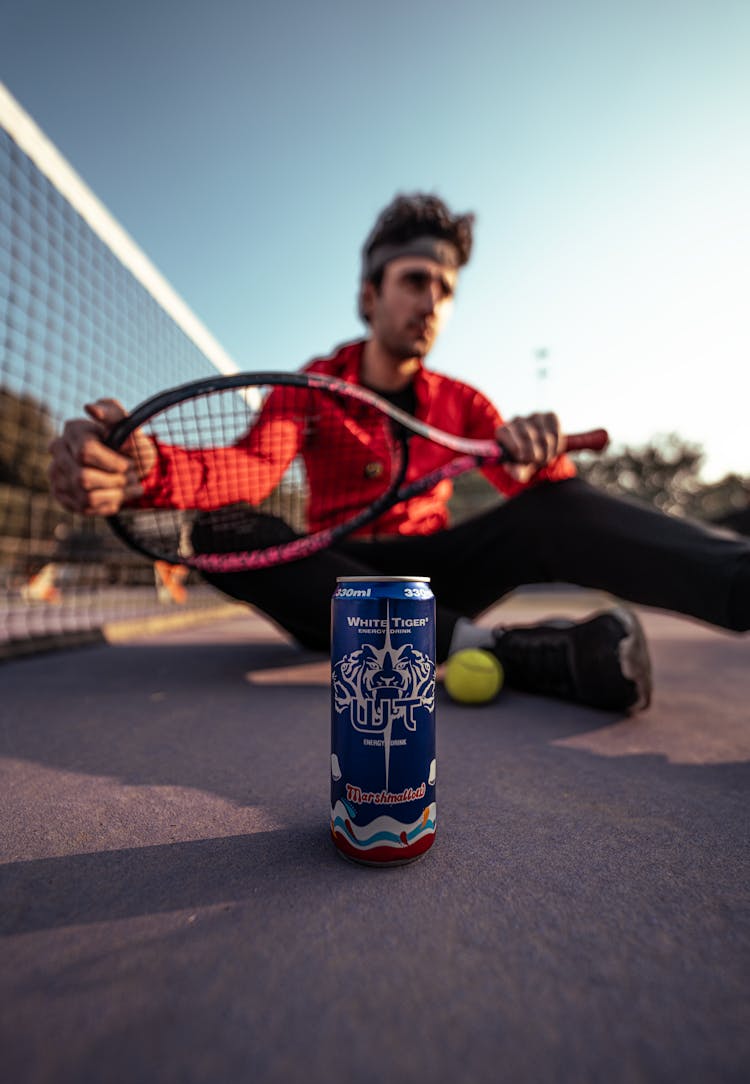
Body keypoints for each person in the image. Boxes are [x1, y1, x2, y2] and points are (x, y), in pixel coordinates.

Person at [48, 193, 750, 713]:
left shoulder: (466, 403)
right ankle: (503, 649)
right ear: (370, 294)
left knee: (553, 507)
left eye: (444, 289)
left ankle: (737, 582)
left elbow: (562, 513)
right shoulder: (314, 384)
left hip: (435, 578)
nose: (432, 302)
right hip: (333, 586)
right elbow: (251, 470)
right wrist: (147, 468)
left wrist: (541, 461)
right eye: (415, 281)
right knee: (225, 528)